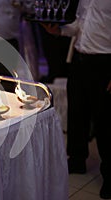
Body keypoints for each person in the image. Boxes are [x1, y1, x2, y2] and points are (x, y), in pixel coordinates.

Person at [42, 0, 111, 199]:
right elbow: (80, 24)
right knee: (77, 112)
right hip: (79, 59)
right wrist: (59, 31)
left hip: (104, 62)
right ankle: (77, 160)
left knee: (105, 121)